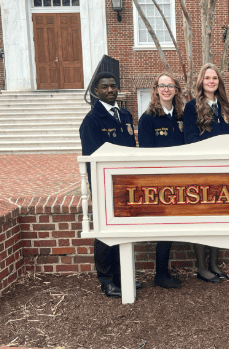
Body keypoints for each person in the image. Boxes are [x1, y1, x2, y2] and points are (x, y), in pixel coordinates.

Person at [79, 72, 140, 297]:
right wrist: (99, 186)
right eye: (105, 87)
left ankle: (122, 277)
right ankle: (107, 280)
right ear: (96, 91)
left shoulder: (124, 115)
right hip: (105, 183)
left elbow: (131, 151)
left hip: (125, 183)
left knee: (123, 230)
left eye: (113, 86)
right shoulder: (92, 120)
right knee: (105, 231)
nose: (110, 90)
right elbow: (92, 157)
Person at [183, 63, 229, 283]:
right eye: (207, 78)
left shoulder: (225, 107)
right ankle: (202, 267)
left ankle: (214, 263)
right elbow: (190, 140)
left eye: (215, 78)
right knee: (201, 218)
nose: (211, 82)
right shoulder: (191, 107)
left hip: (223, 171)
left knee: (218, 218)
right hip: (201, 171)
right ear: (201, 82)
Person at [137, 72, 185, 289]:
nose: (166, 89)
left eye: (170, 86)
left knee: (174, 227)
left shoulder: (182, 117)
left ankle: (164, 272)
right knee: (165, 228)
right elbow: (146, 156)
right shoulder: (147, 119)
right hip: (161, 182)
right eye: (162, 85)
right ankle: (161, 274)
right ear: (156, 89)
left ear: (176, 90)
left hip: (182, 180)